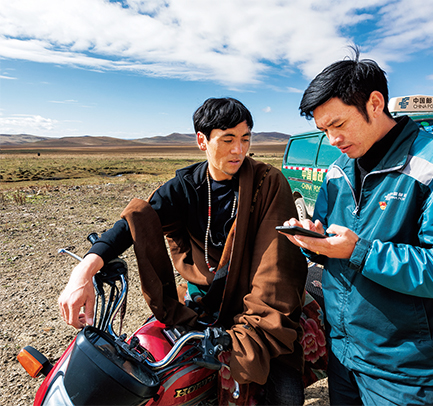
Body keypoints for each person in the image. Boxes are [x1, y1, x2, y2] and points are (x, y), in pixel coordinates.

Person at [59, 97, 308, 405]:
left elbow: (277, 266)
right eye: (228, 139)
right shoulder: (186, 186)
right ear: (202, 141)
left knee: (286, 395)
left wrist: (251, 330)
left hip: (257, 308)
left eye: (246, 139)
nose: (239, 150)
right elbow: (136, 222)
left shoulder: (267, 183)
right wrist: (84, 270)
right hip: (204, 303)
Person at [282, 50, 433, 405]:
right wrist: (314, 241)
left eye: (339, 125)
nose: (332, 140)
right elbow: (337, 245)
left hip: (402, 365)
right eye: (324, 130)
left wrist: (360, 251)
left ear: (375, 103)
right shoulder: (338, 171)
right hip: (344, 351)